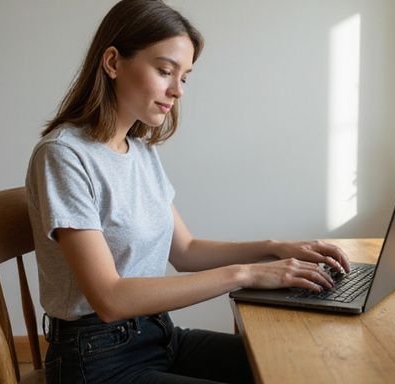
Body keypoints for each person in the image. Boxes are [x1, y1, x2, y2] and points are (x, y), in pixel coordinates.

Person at [25, 1, 350, 383]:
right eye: (165, 71)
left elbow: (186, 251)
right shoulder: (64, 156)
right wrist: (246, 273)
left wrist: (275, 247)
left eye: (185, 77)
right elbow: (109, 299)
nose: (177, 90)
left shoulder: (140, 152)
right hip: (96, 360)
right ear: (112, 63)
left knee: (301, 363)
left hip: (158, 337)